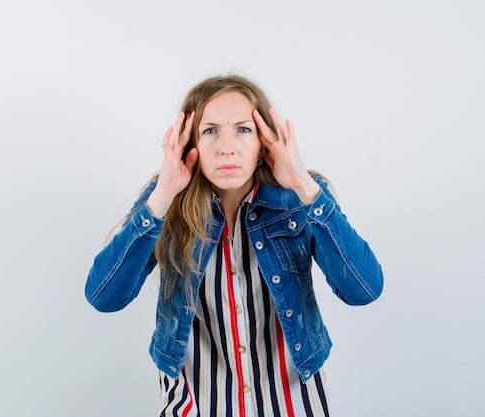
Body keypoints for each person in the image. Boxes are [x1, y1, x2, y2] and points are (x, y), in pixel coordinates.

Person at [85, 74, 383, 417]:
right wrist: (161, 196)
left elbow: (364, 290)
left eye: (243, 129)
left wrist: (302, 182)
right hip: (196, 403)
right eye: (211, 130)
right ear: (190, 143)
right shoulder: (165, 201)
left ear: (264, 142)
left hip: (291, 402)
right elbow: (103, 297)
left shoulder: (301, 198)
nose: (227, 146)